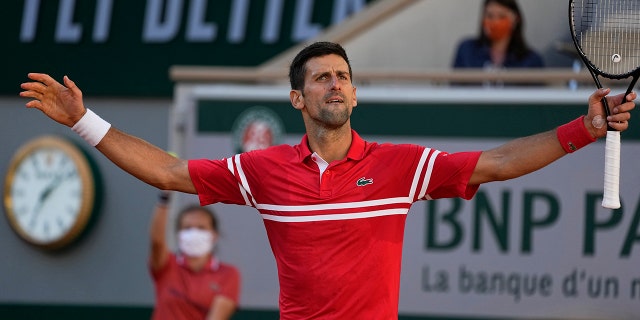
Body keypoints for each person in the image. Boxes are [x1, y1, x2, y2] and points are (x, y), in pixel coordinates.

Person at [20, 41, 635, 319]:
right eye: (321, 77)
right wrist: (85, 122)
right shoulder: (262, 172)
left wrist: (582, 129)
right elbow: (170, 171)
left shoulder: (399, 165)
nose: (335, 83)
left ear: (356, 92)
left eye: (343, 75)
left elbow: (496, 165)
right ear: (297, 97)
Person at [149, 191, 240, 320]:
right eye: (187, 228)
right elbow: (157, 242)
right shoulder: (168, 265)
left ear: (214, 235)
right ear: (179, 234)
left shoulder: (228, 274)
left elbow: (217, 316)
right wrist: (164, 199)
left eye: (201, 228)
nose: (193, 233)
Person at [453, 0, 544, 69]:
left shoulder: (531, 60)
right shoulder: (467, 51)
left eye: (502, 16)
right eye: (490, 16)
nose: (495, 22)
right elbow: (454, 90)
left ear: (516, 20)